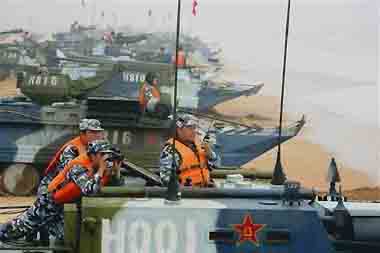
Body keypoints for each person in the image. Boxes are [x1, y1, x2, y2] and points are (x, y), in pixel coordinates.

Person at [0, 140, 122, 241]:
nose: (105, 159)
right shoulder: (78, 166)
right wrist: (101, 169)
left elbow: (117, 185)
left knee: (66, 235)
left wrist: (116, 171)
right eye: (102, 155)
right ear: (93, 155)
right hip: (50, 202)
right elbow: (90, 190)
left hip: (65, 204)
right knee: (21, 228)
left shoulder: (98, 167)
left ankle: (43, 233)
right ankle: (4, 230)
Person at [38, 118, 105, 196]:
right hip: (52, 190)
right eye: (92, 132)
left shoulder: (98, 147)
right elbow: (73, 175)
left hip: (76, 185)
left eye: (99, 132)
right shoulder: (72, 149)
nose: (97, 135)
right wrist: (100, 168)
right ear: (82, 134)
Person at [159, 114, 220, 187]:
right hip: (187, 194)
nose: (194, 131)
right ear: (179, 130)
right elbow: (166, 179)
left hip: (206, 190)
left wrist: (210, 153)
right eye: (190, 128)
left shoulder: (201, 144)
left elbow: (216, 165)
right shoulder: (170, 150)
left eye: (195, 128)